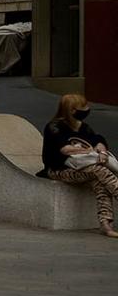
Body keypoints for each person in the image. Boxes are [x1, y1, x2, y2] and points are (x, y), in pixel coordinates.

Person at [42, 92, 118, 239]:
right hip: (61, 169)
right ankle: (106, 225)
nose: (87, 109)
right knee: (99, 170)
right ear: (72, 110)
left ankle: (106, 225)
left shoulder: (84, 127)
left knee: (99, 181)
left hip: (85, 168)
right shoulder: (54, 127)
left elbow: (98, 139)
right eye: (83, 107)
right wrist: (90, 150)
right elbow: (64, 149)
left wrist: (101, 151)